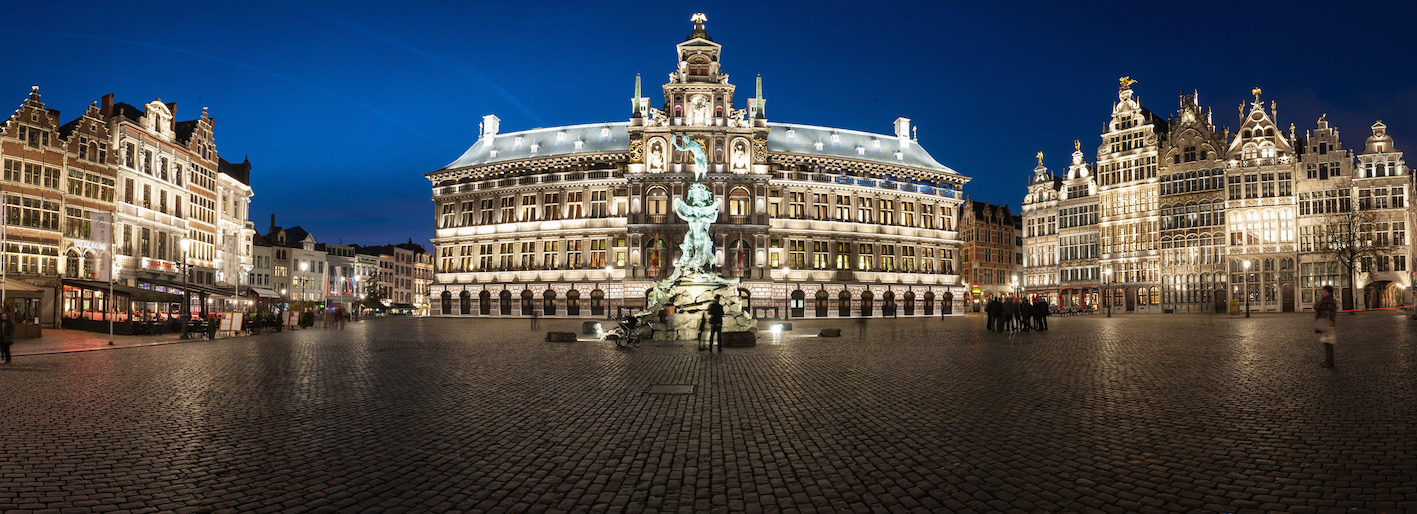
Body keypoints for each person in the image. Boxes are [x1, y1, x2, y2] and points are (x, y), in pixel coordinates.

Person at [1314, 285, 1337, 367]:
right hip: (1325, 324)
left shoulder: (1330, 301)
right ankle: (1327, 360)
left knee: (1329, 344)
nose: (1322, 293)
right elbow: (1316, 306)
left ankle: (1330, 362)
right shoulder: (1325, 300)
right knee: (1326, 343)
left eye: (1324, 291)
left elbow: (1319, 306)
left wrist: (1319, 302)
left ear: (1328, 292)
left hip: (1328, 324)